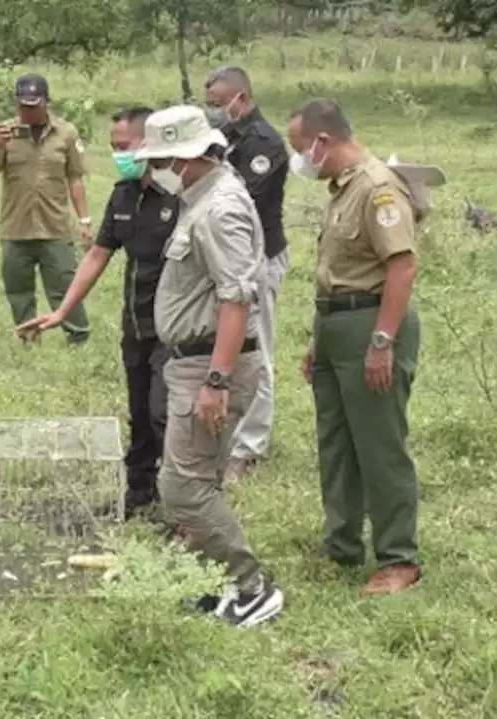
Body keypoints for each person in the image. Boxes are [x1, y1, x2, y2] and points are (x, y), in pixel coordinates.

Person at [133, 104, 284, 628]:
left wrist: (216, 381)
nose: (155, 172)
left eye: (163, 161)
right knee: (200, 478)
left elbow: (236, 298)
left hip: (208, 368)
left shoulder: (219, 209)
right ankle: (212, 581)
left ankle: (252, 586)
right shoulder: (204, 197)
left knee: (183, 489)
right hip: (193, 363)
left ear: (190, 157)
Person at [287, 98, 424, 596]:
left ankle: (399, 559)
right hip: (336, 325)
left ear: (323, 141)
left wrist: (382, 342)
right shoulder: (341, 189)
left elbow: (401, 267)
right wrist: (317, 340)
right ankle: (342, 545)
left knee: (379, 447)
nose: (300, 160)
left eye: (300, 149)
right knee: (337, 444)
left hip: (372, 324)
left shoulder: (378, 189)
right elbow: (337, 272)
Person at [16, 106, 178, 517]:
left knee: (166, 415)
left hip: (175, 327)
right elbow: (97, 255)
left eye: (124, 146)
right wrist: (62, 312)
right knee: (140, 413)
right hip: (136, 322)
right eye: (113, 147)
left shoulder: (180, 195)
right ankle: (139, 492)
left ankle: (179, 504)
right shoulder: (124, 194)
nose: (117, 154)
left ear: (150, 142)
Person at [202, 65, 292, 482]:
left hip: (259, 258)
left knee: (258, 350)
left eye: (220, 104)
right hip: (225, 258)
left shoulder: (264, 143)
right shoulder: (228, 137)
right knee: (226, 346)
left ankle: (250, 445)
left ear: (242, 97)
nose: (216, 112)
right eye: (211, 106)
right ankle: (224, 432)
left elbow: (237, 200)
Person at [0, 72, 94, 347]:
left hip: (54, 226)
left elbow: (75, 178)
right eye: (22, 106)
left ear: (47, 103)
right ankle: (28, 339)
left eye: (33, 106)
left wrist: (85, 220)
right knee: (18, 289)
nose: (27, 112)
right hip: (15, 227)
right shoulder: (6, 132)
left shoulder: (66, 134)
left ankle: (78, 337)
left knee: (65, 285)